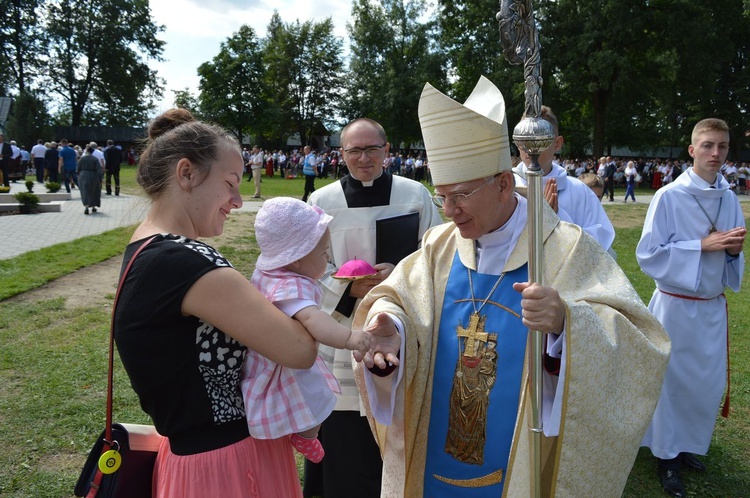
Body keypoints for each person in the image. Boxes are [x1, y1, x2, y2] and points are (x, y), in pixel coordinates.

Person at [351, 76, 670, 497]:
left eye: (460, 195)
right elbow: (400, 299)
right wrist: (392, 326)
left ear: (504, 184)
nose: (449, 211)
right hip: (436, 449)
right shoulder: (439, 244)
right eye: (441, 196)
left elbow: (639, 342)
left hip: (517, 461)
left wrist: (565, 324)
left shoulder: (565, 249)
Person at [112, 109, 318, 498]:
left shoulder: (146, 247)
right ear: (186, 174)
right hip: (228, 465)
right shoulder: (183, 262)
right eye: (230, 184)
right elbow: (300, 349)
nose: (238, 201)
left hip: (199, 458)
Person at [304, 118, 443, 498]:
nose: (363, 158)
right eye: (354, 150)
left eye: (372, 149)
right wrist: (349, 289)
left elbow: (437, 259)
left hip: (399, 327)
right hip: (342, 330)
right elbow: (307, 270)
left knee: (397, 426)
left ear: (387, 151)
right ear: (342, 154)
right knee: (346, 438)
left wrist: (398, 275)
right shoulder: (322, 202)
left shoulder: (414, 195)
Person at [637, 118, 746, 498]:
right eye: (708, 146)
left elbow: (731, 250)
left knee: (705, 383)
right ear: (692, 150)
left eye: (723, 147)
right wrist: (702, 246)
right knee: (672, 383)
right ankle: (666, 457)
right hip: (676, 307)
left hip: (711, 307)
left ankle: (684, 446)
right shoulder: (669, 196)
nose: (716, 154)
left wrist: (733, 251)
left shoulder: (729, 197)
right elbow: (648, 255)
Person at [241, 197, 372, 464]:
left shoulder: (270, 273)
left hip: (273, 351)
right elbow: (314, 320)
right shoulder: (293, 288)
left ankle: (305, 435)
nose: (327, 258)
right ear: (298, 258)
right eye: (324, 254)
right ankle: (306, 437)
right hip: (282, 363)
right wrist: (349, 338)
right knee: (318, 396)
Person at [512, 106, 616, 250]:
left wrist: (557, 218)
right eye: (524, 139)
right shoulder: (504, 186)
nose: (530, 148)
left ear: (557, 143)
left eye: (539, 139)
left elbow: (601, 242)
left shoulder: (580, 191)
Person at [77, 145, 103, 215]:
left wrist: (78, 175)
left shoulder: (82, 159)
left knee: (85, 191)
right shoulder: (95, 159)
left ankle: (86, 206)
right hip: (93, 175)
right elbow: (99, 170)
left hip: (83, 175)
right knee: (94, 191)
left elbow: (78, 169)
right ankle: (93, 206)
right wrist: (101, 178)